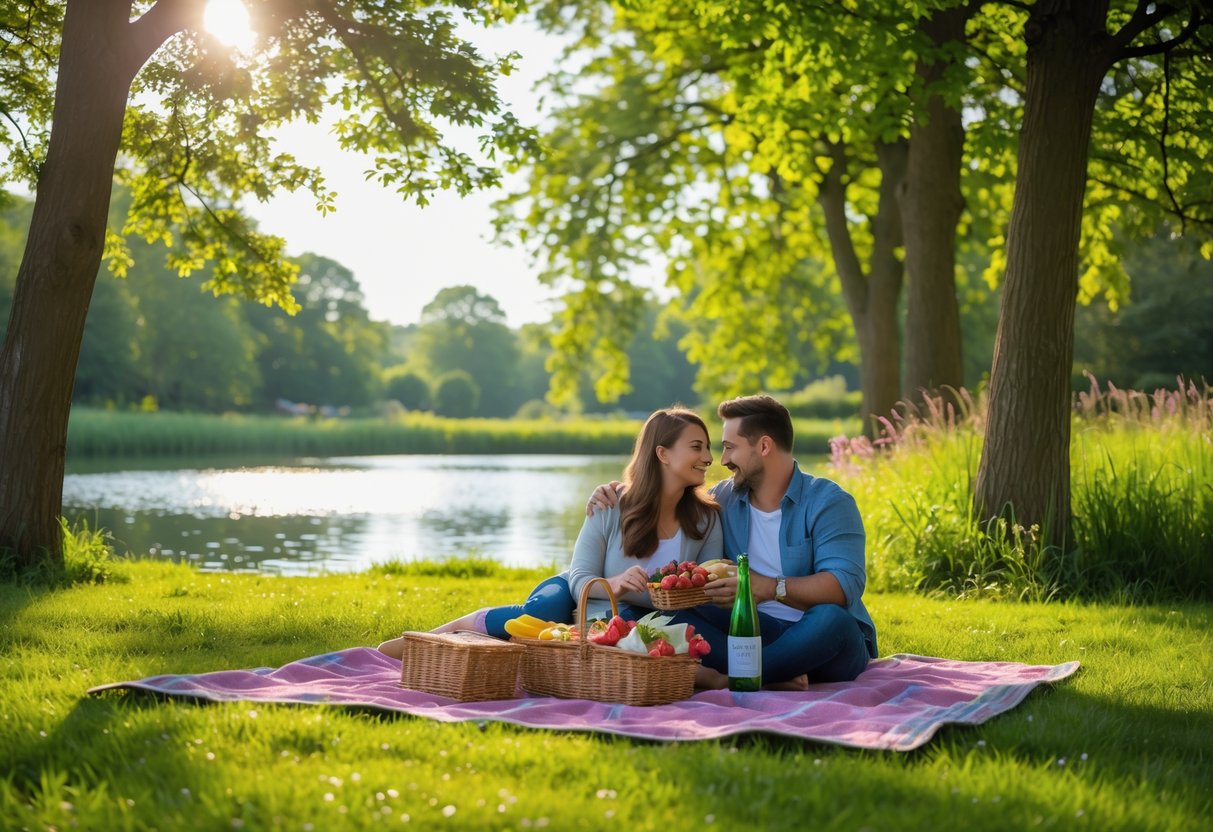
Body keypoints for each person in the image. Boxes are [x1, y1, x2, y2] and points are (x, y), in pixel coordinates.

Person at [377, 406, 723, 658]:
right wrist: (615, 583)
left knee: (630, 627)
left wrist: (679, 589)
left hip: (626, 615)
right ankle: (432, 638)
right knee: (541, 613)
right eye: (697, 447)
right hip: (578, 589)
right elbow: (580, 575)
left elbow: (703, 589)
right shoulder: (611, 504)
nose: (709, 457)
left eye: (708, 447)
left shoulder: (705, 519)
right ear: (662, 453)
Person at [587, 394, 877, 690]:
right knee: (664, 613)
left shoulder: (829, 503)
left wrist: (764, 587)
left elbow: (843, 585)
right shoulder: (723, 499)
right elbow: (668, 492)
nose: (722, 460)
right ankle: (772, 673)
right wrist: (615, 492)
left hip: (822, 638)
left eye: (730, 448)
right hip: (748, 631)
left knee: (832, 618)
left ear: (763, 446)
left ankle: (738, 675)